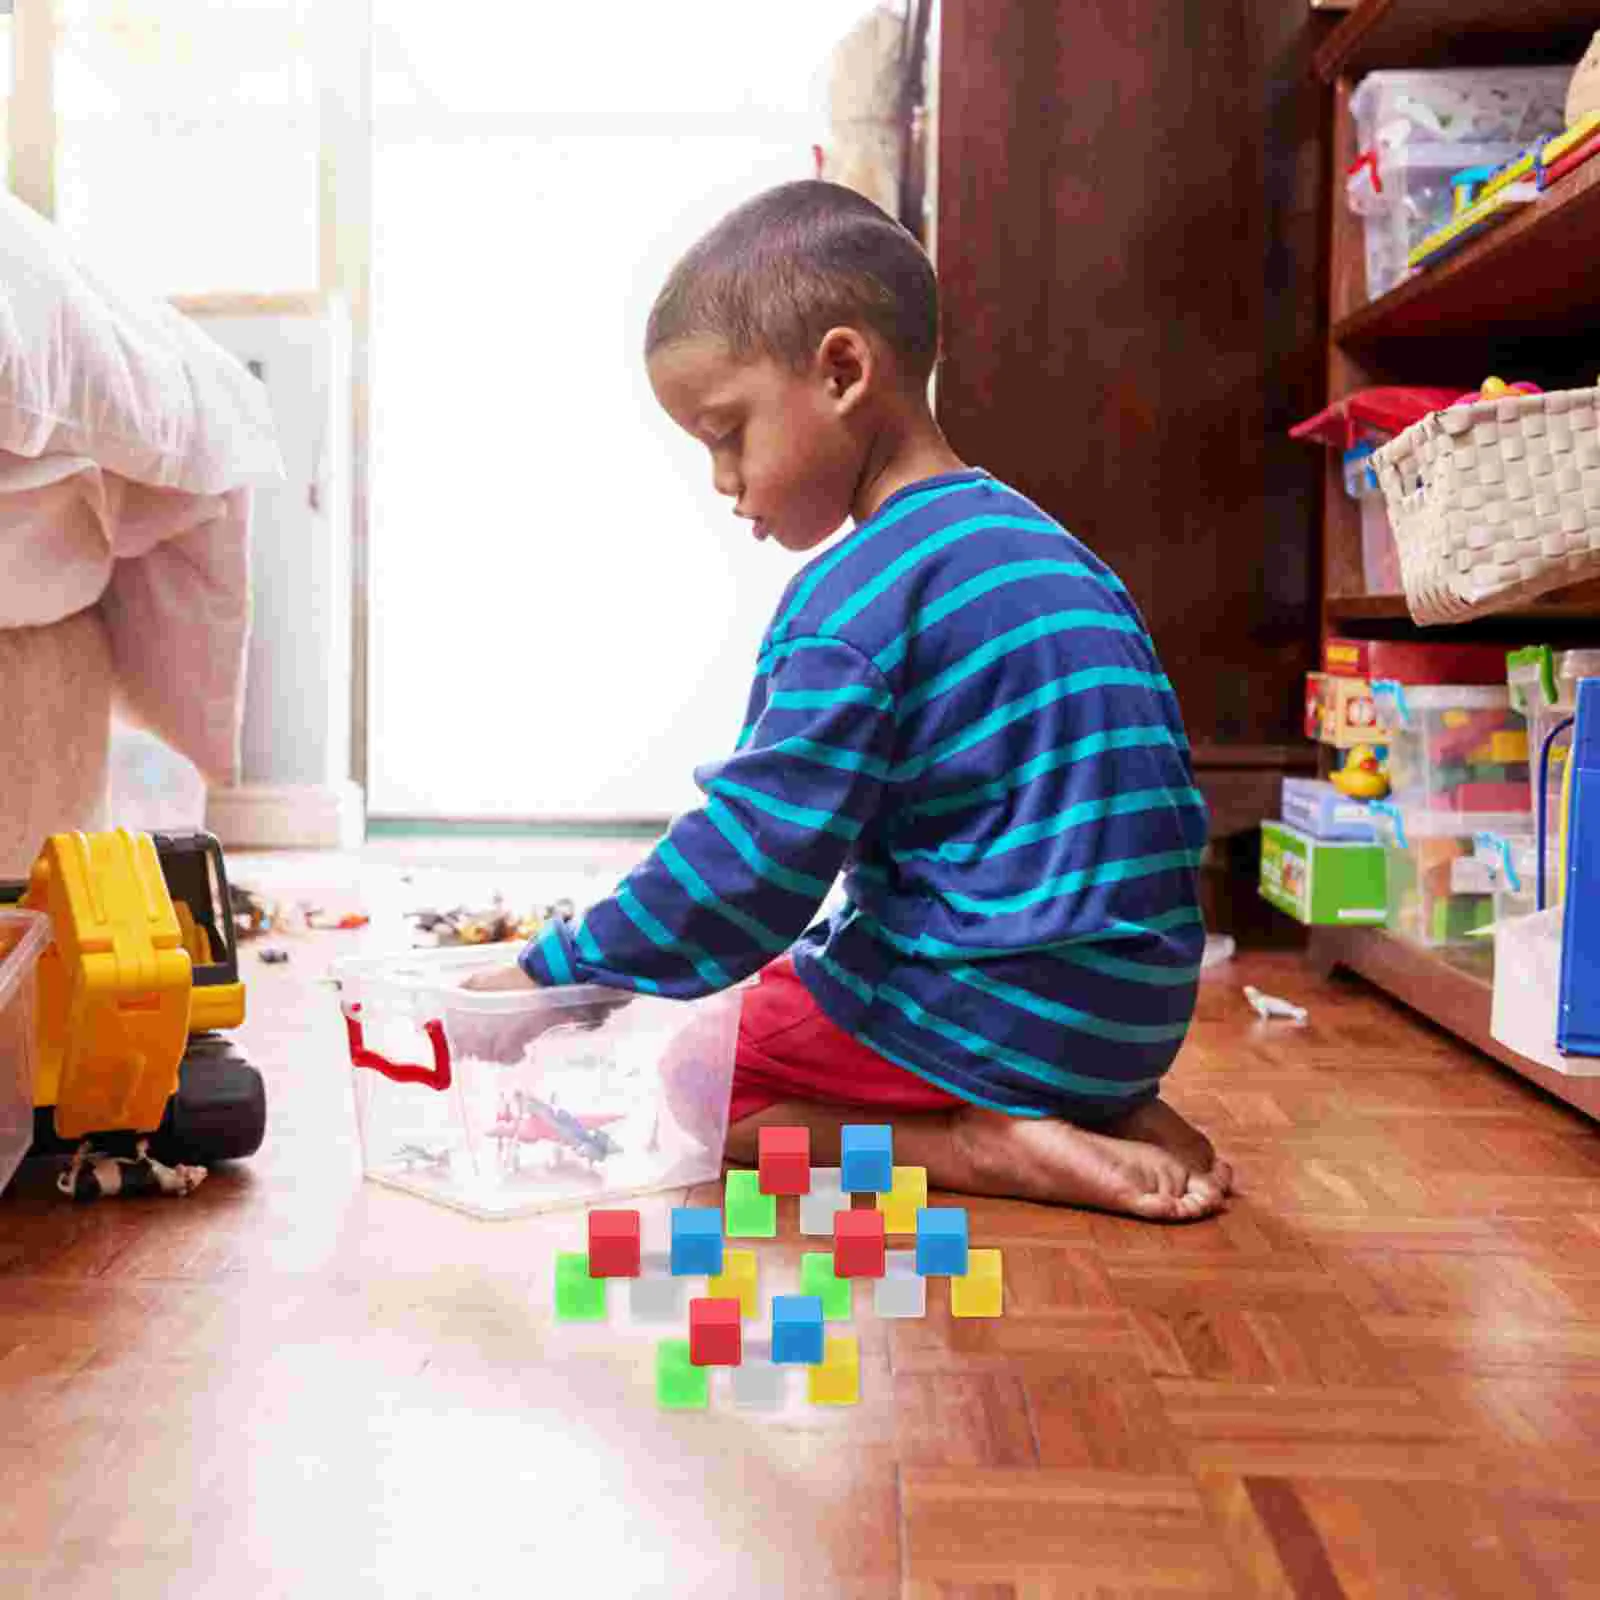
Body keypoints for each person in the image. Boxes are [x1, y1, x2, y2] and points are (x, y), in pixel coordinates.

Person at [466, 180, 1230, 1221]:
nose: (724, 479)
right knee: (811, 972)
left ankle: (978, 1143)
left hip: (989, 1014)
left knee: (692, 1080)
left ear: (840, 370)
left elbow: (752, 866)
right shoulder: (1057, 552)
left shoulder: (853, 599)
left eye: (726, 432)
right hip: (1131, 1015)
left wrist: (558, 979)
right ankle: (1097, 1108)